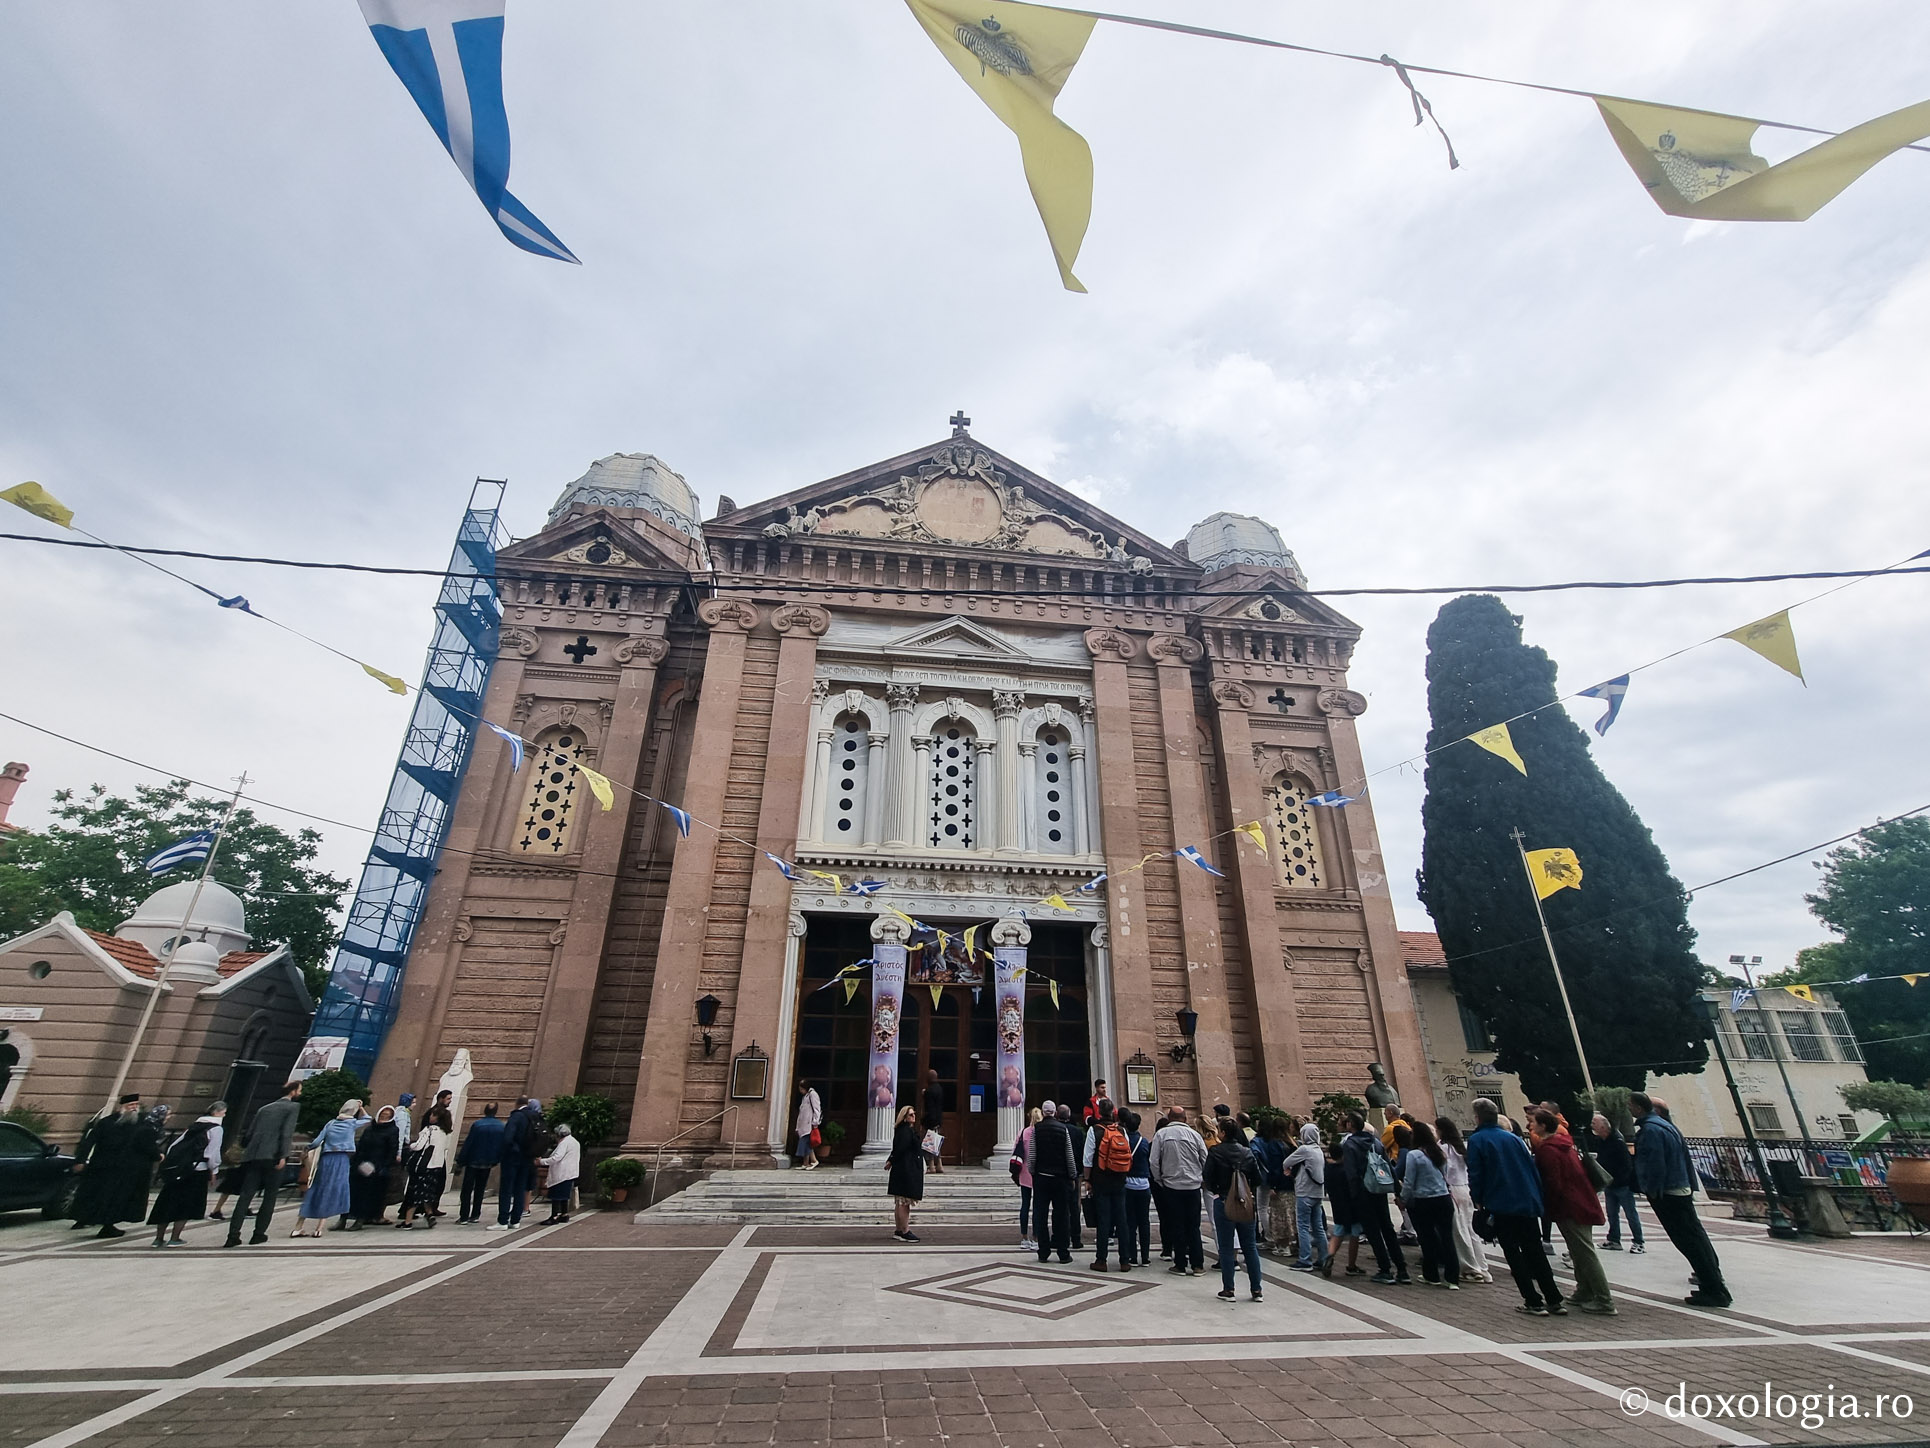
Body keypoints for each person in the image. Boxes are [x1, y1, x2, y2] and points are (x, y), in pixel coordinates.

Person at [1465, 1097, 1565, 1316]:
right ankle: (1554, 1298)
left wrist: (1478, 1199)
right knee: (1535, 1250)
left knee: (1513, 1252)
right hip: (1526, 1201)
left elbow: (1476, 1173)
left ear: (1478, 1117)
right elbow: (1531, 1168)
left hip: (1501, 1202)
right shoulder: (1513, 1138)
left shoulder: (1478, 1140)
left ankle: (1532, 1300)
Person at [1631, 1091, 1731, 1308]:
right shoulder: (1667, 1127)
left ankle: (1714, 1289)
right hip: (1680, 1187)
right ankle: (1713, 1285)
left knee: (1687, 1240)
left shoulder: (1651, 1130)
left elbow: (1655, 1163)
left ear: (1639, 1107)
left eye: (1630, 1106)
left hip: (1667, 1192)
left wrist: (1651, 1189)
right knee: (1696, 1237)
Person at [1530, 1109, 1613, 1314]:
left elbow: (1553, 1183)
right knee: (1578, 1250)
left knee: (1585, 1252)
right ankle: (1584, 1290)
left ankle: (1604, 1299)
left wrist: (1548, 1206)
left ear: (1543, 1125)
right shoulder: (1564, 1145)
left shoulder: (1548, 1150)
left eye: (1533, 1122)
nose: (1530, 1126)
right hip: (1580, 1202)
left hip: (1570, 1206)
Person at [72, 1093, 161, 1239]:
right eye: (130, 1105)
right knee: (95, 1194)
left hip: (124, 1169)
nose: (133, 1108)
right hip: (101, 1166)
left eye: (135, 1105)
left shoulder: (139, 1124)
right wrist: (80, 1160)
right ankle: (85, 1219)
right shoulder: (105, 1122)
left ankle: (107, 1225)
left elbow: (146, 1145)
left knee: (112, 1198)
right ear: (122, 1107)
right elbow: (89, 1142)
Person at [224, 1081, 301, 1247]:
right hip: (273, 1156)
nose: (300, 1093)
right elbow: (286, 1133)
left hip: (253, 1156)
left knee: (245, 1196)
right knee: (270, 1196)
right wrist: (283, 1155)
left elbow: (249, 1134)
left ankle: (233, 1235)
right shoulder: (292, 1108)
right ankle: (258, 1233)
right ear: (293, 1091)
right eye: (299, 1090)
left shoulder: (264, 1108)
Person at [1340, 1111, 1410, 1285]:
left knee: (1373, 1232)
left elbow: (1351, 1174)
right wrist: (1397, 1190)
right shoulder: (1376, 1142)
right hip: (1380, 1189)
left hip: (1364, 1192)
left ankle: (1385, 1269)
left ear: (1350, 1125)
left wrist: (1353, 1196)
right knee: (1387, 1228)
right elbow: (1387, 1166)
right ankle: (1402, 1270)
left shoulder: (1350, 1144)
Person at [1203, 1117, 1264, 1302]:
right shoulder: (1247, 1152)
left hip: (1223, 1201)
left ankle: (1229, 1289)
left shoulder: (1215, 1151)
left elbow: (1207, 1177)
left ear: (1222, 1133)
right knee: (1250, 1246)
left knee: (1226, 1247)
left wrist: (1217, 1190)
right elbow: (1258, 1178)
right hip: (1245, 1202)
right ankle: (1257, 1289)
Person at [147, 1102, 224, 1247]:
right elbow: (212, 1153)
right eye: (224, 1112)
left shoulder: (195, 1125)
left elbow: (174, 1146)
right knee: (185, 1206)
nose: (224, 1115)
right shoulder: (216, 1129)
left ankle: (158, 1238)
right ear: (218, 1113)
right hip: (197, 1171)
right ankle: (175, 1238)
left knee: (167, 1203)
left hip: (179, 1170)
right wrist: (214, 1171)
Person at [1399, 1120, 1461, 1289]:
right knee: (1447, 1237)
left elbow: (1409, 1181)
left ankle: (1431, 1274)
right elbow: (1445, 1175)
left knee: (1427, 1239)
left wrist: (1403, 1199)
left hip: (1423, 1200)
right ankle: (1452, 1277)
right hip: (1443, 1198)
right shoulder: (1439, 1152)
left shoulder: (1414, 1155)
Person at [1149, 1107, 1206, 1276]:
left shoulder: (1161, 1135)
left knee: (1177, 1224)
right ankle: (1198, 1264)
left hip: (1172, 1186)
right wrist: (1202, 1178)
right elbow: (1205, 1158)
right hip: (1193, 1186)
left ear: (1169, 1117)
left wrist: (1160, 1180)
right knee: (1194, 1226)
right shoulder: (1195, 1135)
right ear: (1185, 1118)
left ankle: (1180, 1264)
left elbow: (1153, 1161)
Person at [1436, 1117, 1493, 1283]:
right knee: (1471, 1230)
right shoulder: (1461, 1147)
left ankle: (1470, 1268)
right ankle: (1482, 1267)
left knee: (1460, 1231)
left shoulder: (1443, 1147)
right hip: (1465, 1187)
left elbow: (1444, 1169)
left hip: (1452, 1188)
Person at [293, 1098, 360, 1237]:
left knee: (316, 1188)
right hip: (341, 1159)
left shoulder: (331, 1123)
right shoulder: (352, 1123)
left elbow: (317, 1141)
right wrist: (361, 1106)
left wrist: (307, 1149)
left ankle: (298, 1226)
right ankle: (319, 1228)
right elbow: (368, 1118)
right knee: (331, 1190)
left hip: (326, 1158)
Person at [1082, 1099, 1133, 1273]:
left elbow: (1088, 1159)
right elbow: (1128, 1153)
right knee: (1122, 1220)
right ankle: (1125, 1260)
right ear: (1113, 1112)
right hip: (1119, 1179)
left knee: (1103, 1220)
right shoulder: (1122, 1131)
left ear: (1098, 1113)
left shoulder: (1093, 1130)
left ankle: (1101, 1259)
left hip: (1100, 1179)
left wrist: (1087, 1180)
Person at [1028, 1099, 1078, 1263]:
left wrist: (1033, 1172)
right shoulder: (1063, 1129)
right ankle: (1063, 1252)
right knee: (1062, 1215)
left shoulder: (1037, 1129)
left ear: (1043, 1113)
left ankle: (1043, 1251)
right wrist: (1072, 1176)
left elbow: (1032, 1154)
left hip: (1042, 1177)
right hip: (1060, 1179)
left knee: (1041, 1215)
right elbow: (1069, 1155)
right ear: (1055, 1113)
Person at [1592, 1113, 1645, 1253]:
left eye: (1594, 1123)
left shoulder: (1617, 1141)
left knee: (1630, 1213)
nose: (1592, 1126)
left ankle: (1639, 1241)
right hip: (1609, 1183)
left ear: (1603, 1126)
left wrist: (1620, 1180)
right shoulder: (1601, 1141)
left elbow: (1627, 1164)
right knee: (1612, 1213)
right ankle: (1614, 1239)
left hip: (1622, 1184)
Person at [1282, 1122, 1329, 1273]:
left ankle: (1305, 1259)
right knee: (1318, 1227)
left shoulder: (1304, 1149)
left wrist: (1289, 1169)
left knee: (1302, 1226)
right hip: (1317, 1192)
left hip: (1304, 1191)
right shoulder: (1319, 1150)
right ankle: (1323, 1258)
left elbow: (1286, 1162)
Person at [398, 1105, 452, 1228]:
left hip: (423, 1165)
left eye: (433, 1114)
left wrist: (411, 1146)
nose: (430, 1116)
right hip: (437, 1165)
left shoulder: (429, 1130)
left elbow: (419, 1145)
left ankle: (408, 1221)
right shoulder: (445, 1132)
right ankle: (429, 1214)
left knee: (415, 1193)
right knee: (428, 1192)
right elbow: (446, 1147)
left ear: (437, 1117)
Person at [349, 1104, 400, 1228]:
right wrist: (357, 1162)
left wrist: (383, 1166)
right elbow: (361, 1145)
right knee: (357, 1192)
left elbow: (392, 1149)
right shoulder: (369, 1129)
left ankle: (365, 1218)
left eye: (387, 1116)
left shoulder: (392, 1130)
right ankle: (352, 1217)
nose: (384, 1117)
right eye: (382, 1115)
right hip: (362, 1164)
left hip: (378, 1167)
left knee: (371, 1194)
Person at [492, 1096, 537, 1231]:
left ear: (517, 1103)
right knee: (520, 1188)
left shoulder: (517, 1116)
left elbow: (507, 1138)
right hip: (528, 1158)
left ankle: (503, 1221)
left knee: (506, 1189)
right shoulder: (535, 1116)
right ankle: (516, 1219)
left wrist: (506, 1152)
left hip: (513, 1158)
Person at [455, 1102, 505, 1223]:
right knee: (480, 1189)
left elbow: (469, 1143)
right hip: (488, 1162)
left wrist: (460, 1161)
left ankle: (464, 1216)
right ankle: (475, 1214)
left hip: (473, 1161)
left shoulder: (478, 1125)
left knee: (467, 1190)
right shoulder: (501, 1126)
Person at [1120, 1110, 1154, 1267]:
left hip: (1127, 1183)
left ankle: (1132, 1256)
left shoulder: (1123, 1141)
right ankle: (1145, 1257)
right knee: (1144, 1221)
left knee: (1130, 1222)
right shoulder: (1145, 1142)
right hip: (1144, 1184)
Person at [888, 1104, 925, 1241]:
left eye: (914, 1113)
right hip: (906, 1170)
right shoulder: (906, 1132)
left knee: (900, 1201)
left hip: (902, 1168)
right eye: (910, 1114)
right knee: (904, 1202)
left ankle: (899, 1230)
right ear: (904, 1117)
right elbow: (900, 1149)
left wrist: (891, 1160)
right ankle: (905, 1230)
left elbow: (897, 1149)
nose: (914, 1116)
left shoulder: (903, 1130)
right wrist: (891, 1160)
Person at [539, 1122, 580, 1224]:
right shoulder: (574, 1142)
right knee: (564, 1196)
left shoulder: (564, 1143)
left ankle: (554, 1216)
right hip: (570, 1173)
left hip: (561, 1174)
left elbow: (557, 1157)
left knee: (556, 1196)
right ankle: (564, 1214)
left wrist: (542, 1161)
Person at [1013, 1106, 1042, 1251]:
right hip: (1038, 1173)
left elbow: (1015, 1151)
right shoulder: (1041, 1133)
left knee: (1025, 1205)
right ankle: (1036, 1238)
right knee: (1037, 1206)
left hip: (1024, 1172)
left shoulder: (1023, 1132)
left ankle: (1024, 1238)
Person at [919, 1068, 945, 1176]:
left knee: (929, 1143)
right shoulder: (939, 1089)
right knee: (936, 1142)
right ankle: (939, 1164)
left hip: (931, 1120)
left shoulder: (929, 1091)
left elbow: (929, 1107)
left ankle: (931, 1165)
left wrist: (923, 1121)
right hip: (938, 1119)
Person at [794, 1078, 824, 1170]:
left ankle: (814, 1161)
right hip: (803, 1124)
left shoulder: (812, 1095)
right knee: (805, 1142)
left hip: (809, 1124)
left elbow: (816, 1108)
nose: (800, 1090)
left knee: (807, 1143)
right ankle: (805, 1163)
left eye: (801, 1088)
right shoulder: (806, 1096)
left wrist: (815, 1121)